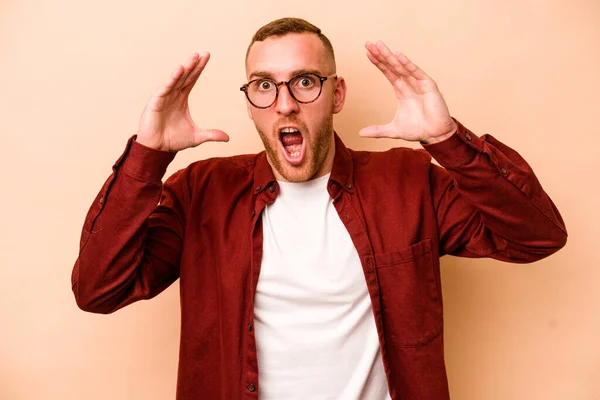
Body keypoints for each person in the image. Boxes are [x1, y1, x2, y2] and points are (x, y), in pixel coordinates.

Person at [71, 17, 567, 400]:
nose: (284, 103)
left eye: (304, 81)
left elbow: (537, 236)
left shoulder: (409, 181)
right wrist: (147, 157)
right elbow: (98, 289)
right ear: (249, 103)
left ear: (337, 95)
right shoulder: (202, 190)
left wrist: (447, 140)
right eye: (264, 85)